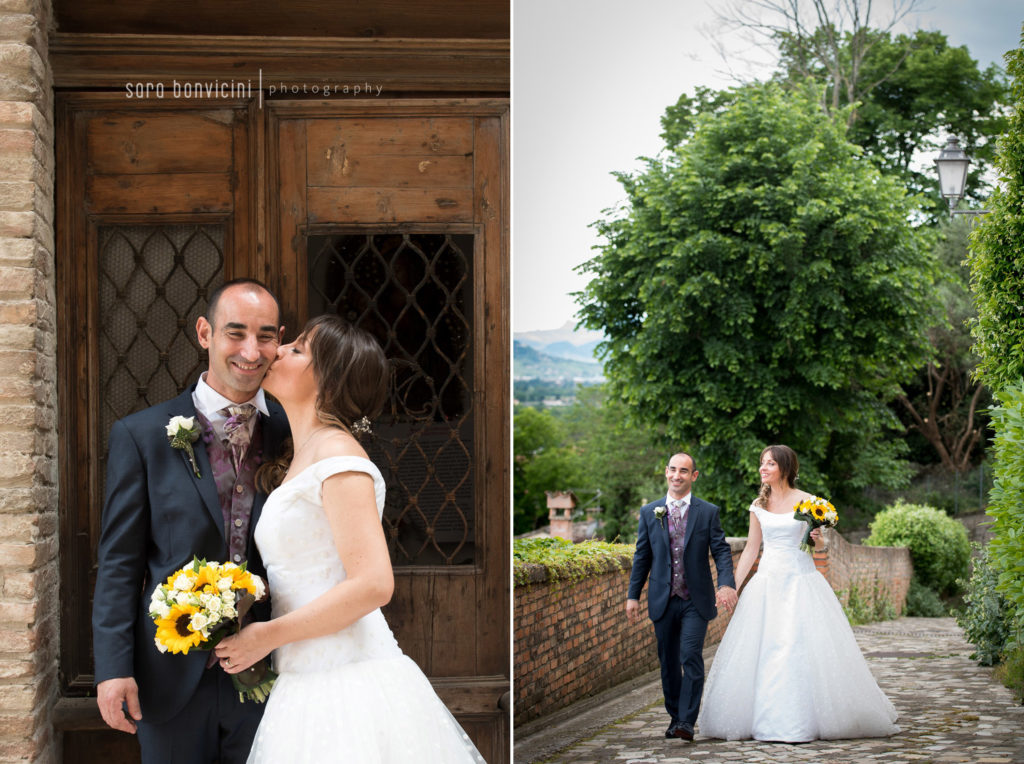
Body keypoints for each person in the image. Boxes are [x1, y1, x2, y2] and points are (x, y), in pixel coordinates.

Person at [213, 314, 484, 763]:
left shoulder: (339, 458)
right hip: (305, 678)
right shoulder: (306, 453)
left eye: (297, 349)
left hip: (346, 682)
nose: (277, 351)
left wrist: (266, 636)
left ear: (329, 381)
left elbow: (373, 584)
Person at [92, 279, 290, 763]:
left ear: (279, 341)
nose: (251, 350)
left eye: (265, 336)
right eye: (235, 332)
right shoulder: (141, 436)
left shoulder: (294, 432)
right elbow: (120, 563)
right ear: (205, 333)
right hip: (169, 678)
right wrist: (112, 669)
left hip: (275, 676)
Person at [697, 444, 899, 742]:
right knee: (765, 650)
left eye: (769, 464)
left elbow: (822, 546)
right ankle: (764, 718)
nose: (763, 469)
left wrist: (817, 537)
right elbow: (752, 548)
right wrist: (731, 587)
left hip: (801, 583)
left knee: (798, 647)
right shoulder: (758, 505)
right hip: (766, 585)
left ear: (786, 468)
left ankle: (803, 719)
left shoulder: (810, 503)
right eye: (761, 463)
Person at [626, 452, 738, 742]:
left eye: (684, 471)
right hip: (662, 598)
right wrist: (633, 595)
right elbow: (642, 555)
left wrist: (726, 583)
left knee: (690, 655)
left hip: (695, 599)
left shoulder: (708, 512)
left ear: (694, 476)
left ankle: (687, 722)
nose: (678, 475)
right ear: (666, 472)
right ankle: (675, 716)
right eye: (673, 470)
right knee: (668, 661)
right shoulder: (650, 512)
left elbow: (722, 551)